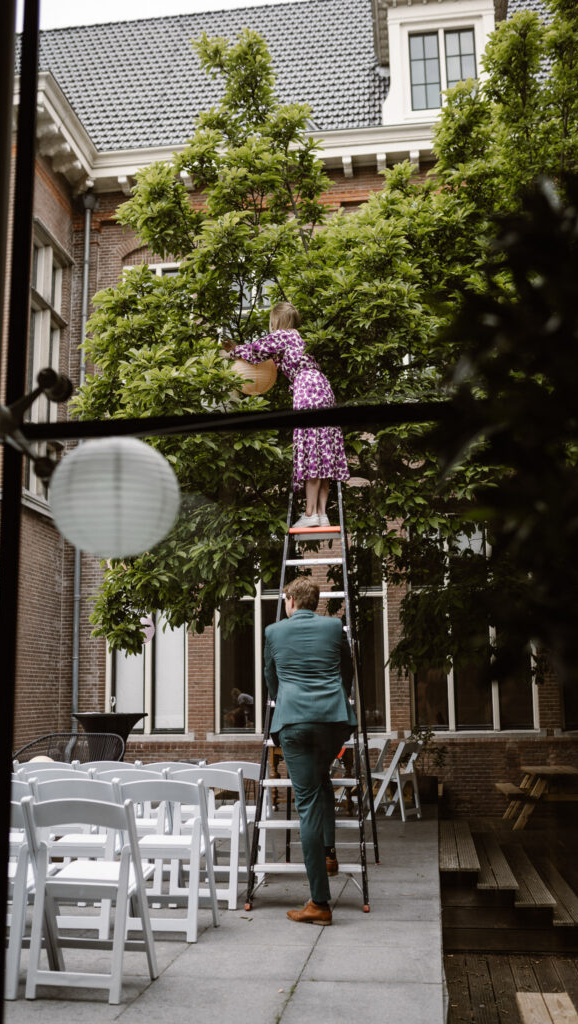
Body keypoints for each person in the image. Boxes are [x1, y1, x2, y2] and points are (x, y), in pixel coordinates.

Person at [264, 576, 356, 925]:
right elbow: (347, 672)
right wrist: (335, 699)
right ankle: (329, 854)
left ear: (289, 600)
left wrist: (286, 698)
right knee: (320, 781)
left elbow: (270, 679)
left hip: (295, 723)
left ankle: (319, 902)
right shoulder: (335, 627)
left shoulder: (274, 632)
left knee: (306, 806)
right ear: (315, 602)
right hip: (333, 721)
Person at [228, 302, 349, 527]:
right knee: (322, 450)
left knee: (312, 450)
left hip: (308, 390)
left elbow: (255, 351)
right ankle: (322, 514)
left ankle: (310, 513)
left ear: (277, 321)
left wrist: (232, 351)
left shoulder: (284, 336)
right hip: (323, 389)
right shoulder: (298, 339)